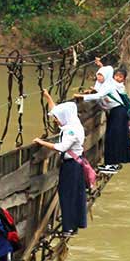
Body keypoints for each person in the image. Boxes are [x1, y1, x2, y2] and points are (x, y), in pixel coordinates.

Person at [34, 98, 87, 237]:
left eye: (57, 118)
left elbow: (62, 147)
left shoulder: (70, 130)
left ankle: (68, 228)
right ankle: (74, 225)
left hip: (72, 166)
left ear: (64, 116)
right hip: (77, 163)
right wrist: (47, 97)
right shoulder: (74, 122)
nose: (55, 121)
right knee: (75, 194)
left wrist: (42, 142)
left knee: (67, 195)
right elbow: (56, 109)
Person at [75, 65, 130, 175]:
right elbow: (98, 92)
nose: (99, 77)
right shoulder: (106, 85)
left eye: (101, 75)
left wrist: (82, 97)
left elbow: (99, 95)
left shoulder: (109, 85)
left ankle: (111, 165)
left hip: (118, 112)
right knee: (113, 137)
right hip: (115, 112)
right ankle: (112, 163)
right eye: (98, 75)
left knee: (113, 138)